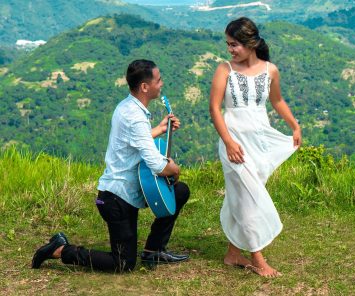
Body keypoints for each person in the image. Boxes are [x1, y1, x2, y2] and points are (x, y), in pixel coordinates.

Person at [32, 59, 190, 272]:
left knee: (179, 191)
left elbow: (134, 140)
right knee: (123, 264)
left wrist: (160, 129)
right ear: (145, 87)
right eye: (158, 80)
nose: (161, 84)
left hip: (130, 191)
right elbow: (157, 165)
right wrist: (175, 169)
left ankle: (154, 251)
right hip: (116, 198)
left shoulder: (127, 106)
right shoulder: (135, 116)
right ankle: (61, 249)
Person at [209, 17, 302, 277]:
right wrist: (228, 142)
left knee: (242, 196)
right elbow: (214, 109)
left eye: (234, 44)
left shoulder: (270, 70)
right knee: (250, 197)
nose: (230, 50)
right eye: (228, 44)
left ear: (250, 43)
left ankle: (232, 253)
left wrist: (295, 126)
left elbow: (278, 100)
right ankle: (257, 258)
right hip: (234, 143)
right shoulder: (224, 69)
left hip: (259, 142)